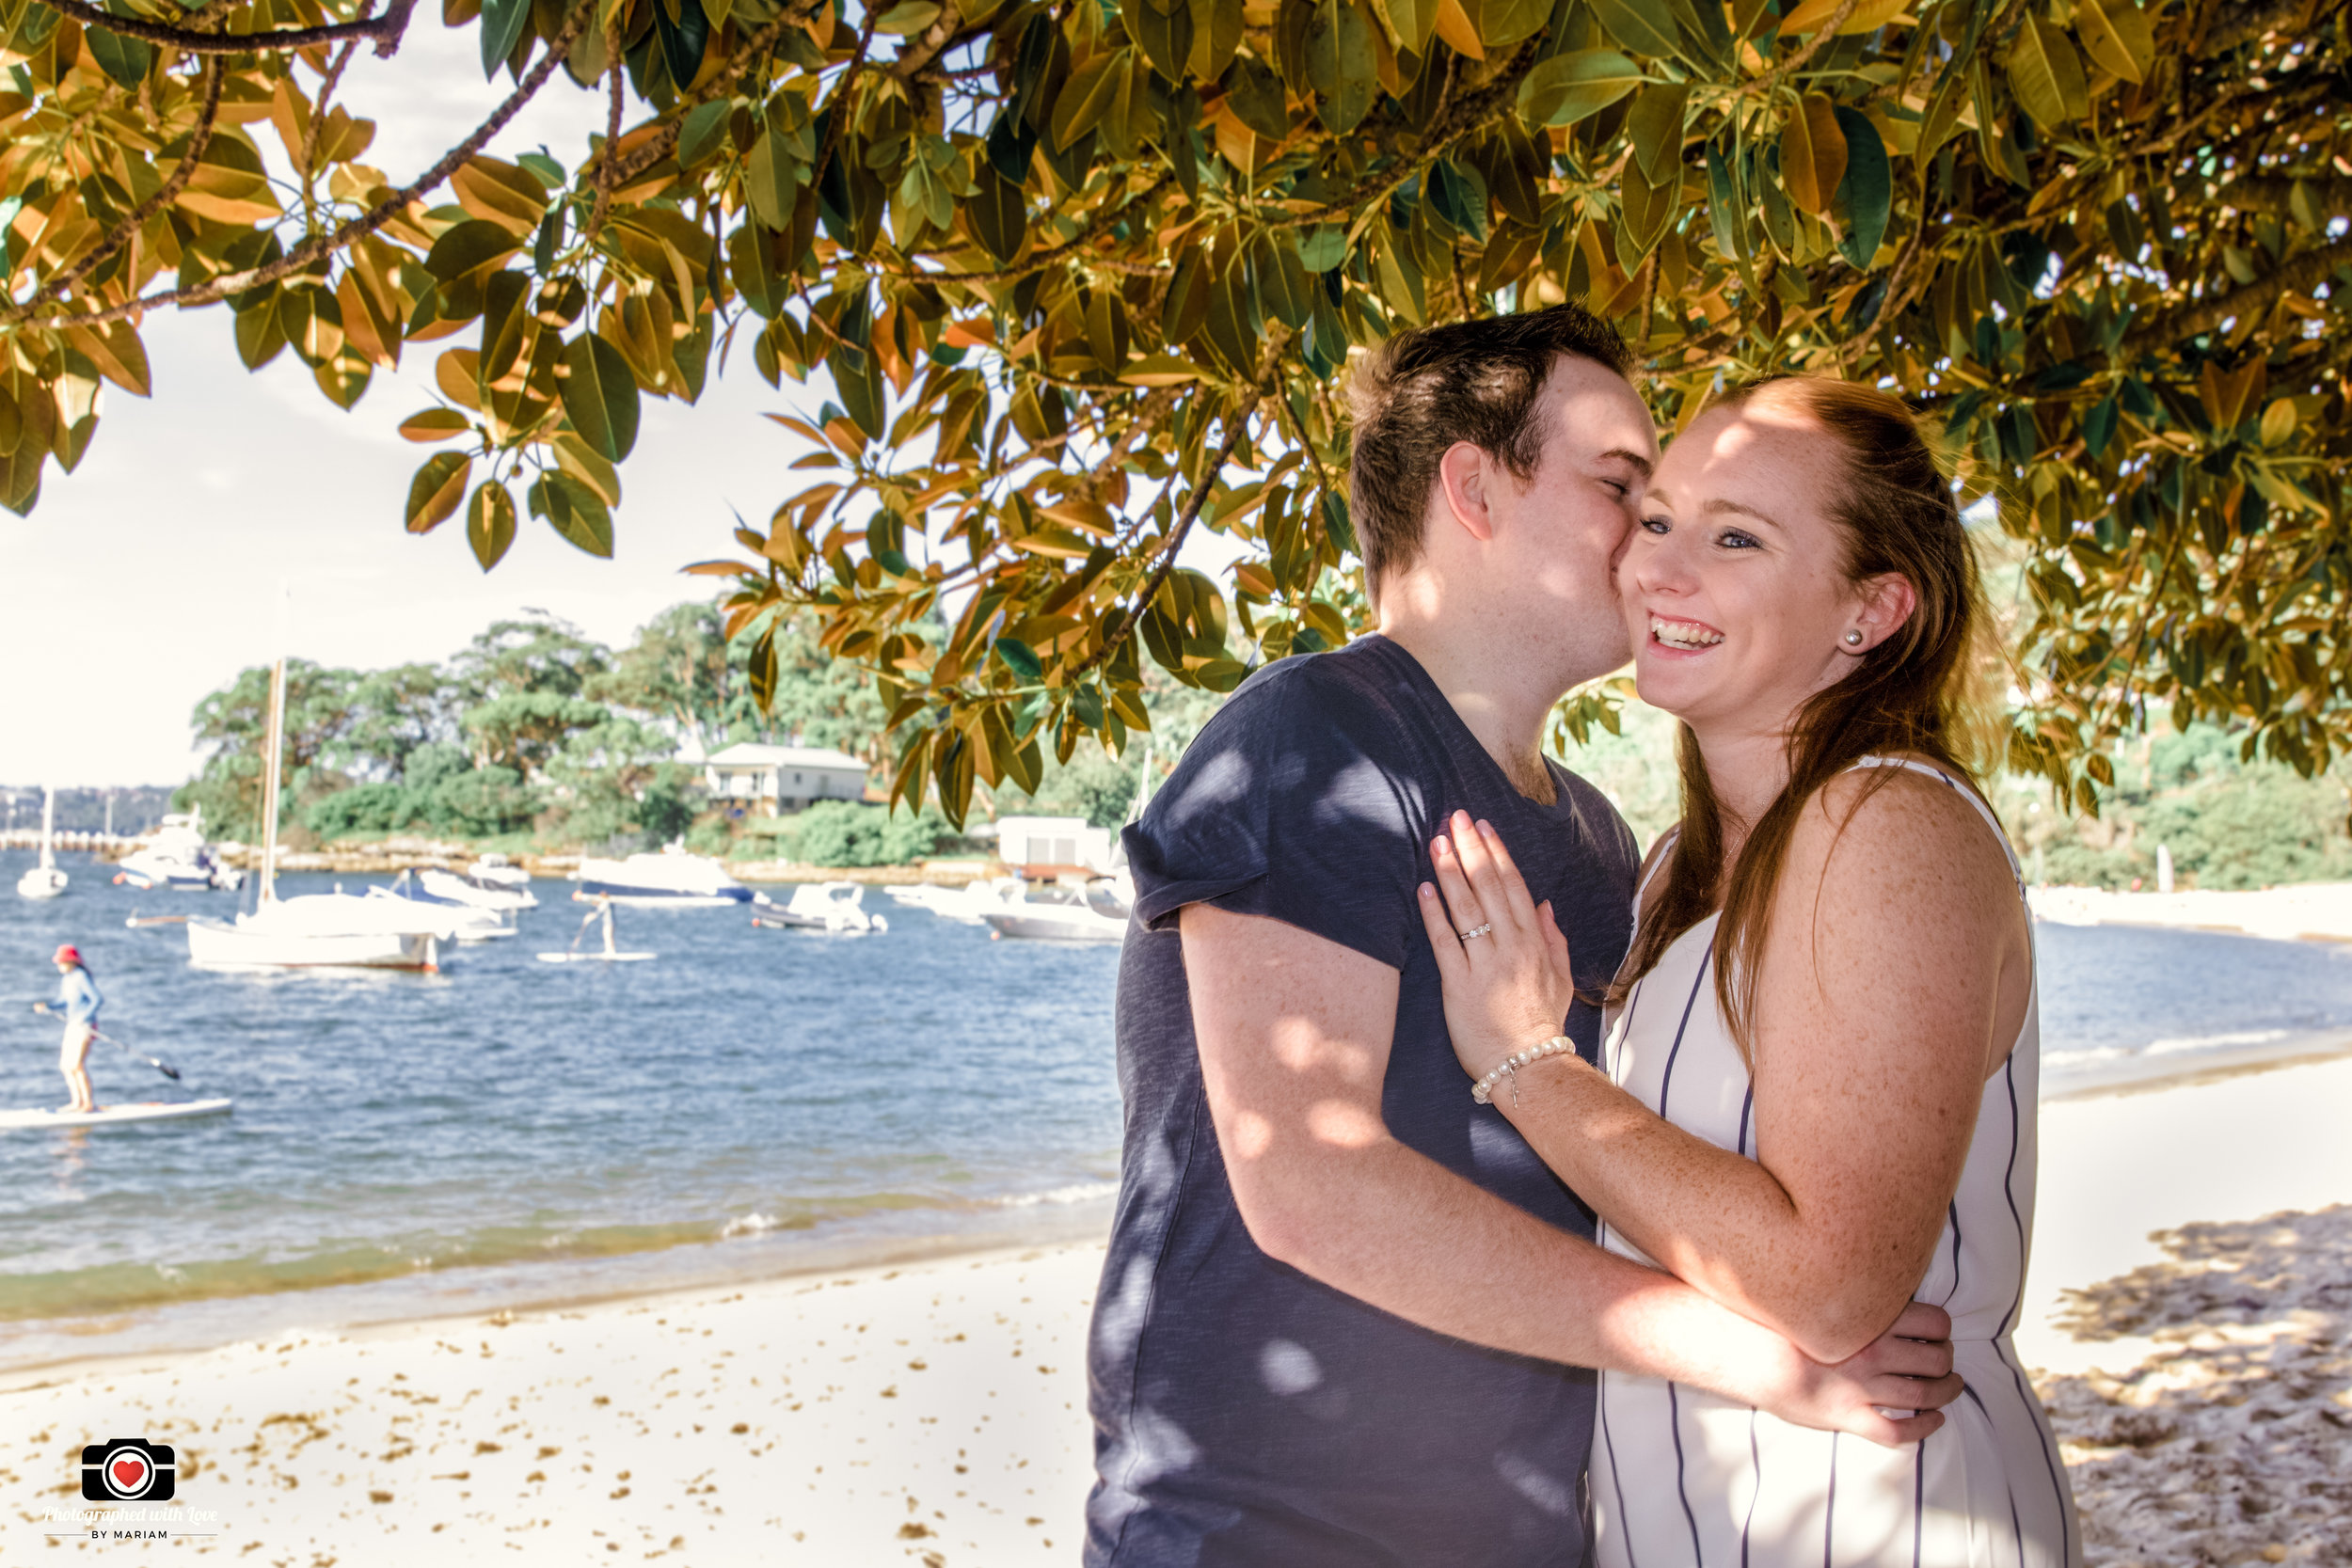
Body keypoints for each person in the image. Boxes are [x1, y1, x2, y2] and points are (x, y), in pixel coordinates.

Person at [1086, 311, 1962, 1567]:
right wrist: (1762, 1359)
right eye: (1623, 489)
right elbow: (1316, 1185)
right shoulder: (1310, 739)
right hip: (1262, 1530)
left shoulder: (1604, 841)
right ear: (1475, 486)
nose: (1652, 541)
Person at [1414, 377, 2081, 1564]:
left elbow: (1832, 1287)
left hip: (1873, 1521)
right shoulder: (1678, 862)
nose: (1658, 570)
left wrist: (1528, 1063)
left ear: (1869, 609)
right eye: (1657, 518)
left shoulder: (1885, 824)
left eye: (1736, 537)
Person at [34, 943, 103, 1114]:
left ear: (72, 962)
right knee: (65, 1065)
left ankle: (88, 1104)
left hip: (84, 1025)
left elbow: (97, 999)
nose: (59, 965)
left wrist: (85, 1017)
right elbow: (64, 1001)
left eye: (61, 962)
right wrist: (48, 1006)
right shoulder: (67, 980)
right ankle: (76, 1102)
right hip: (72, 1025)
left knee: (77, 1065)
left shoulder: (81, 976)